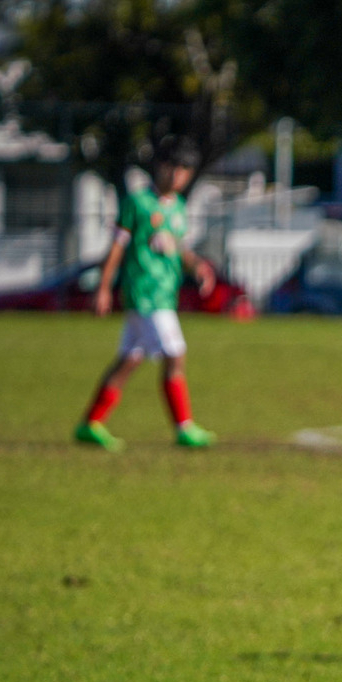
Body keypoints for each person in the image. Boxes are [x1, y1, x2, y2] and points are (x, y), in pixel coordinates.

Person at [74, 137, 218, 450]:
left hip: (165, 295)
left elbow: (175, 246)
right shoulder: (137, 203)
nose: (178, 175)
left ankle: (90, 424)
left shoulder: (178, 206)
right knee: (175, 354)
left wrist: (197, 265)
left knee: (130, 360)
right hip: (145, 294)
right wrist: (103, 287)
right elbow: (116, 247)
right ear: (160, 167)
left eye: (185, 170)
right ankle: (184, 427)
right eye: (174, 167)